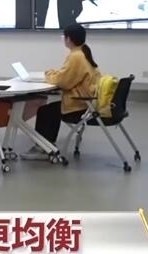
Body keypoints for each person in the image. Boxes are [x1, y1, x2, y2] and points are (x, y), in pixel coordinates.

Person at [23, 24, 101, 160]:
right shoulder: (82, 52)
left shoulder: (76, 56)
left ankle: (43, 148)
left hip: (80, 105)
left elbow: (63, 82)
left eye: (64, 37)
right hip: (86, 102)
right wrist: (55, 73)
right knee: (51, 109)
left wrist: (48, 74)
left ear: (68, 39)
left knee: (46, 111)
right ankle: (47, 144)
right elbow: (66, 75)